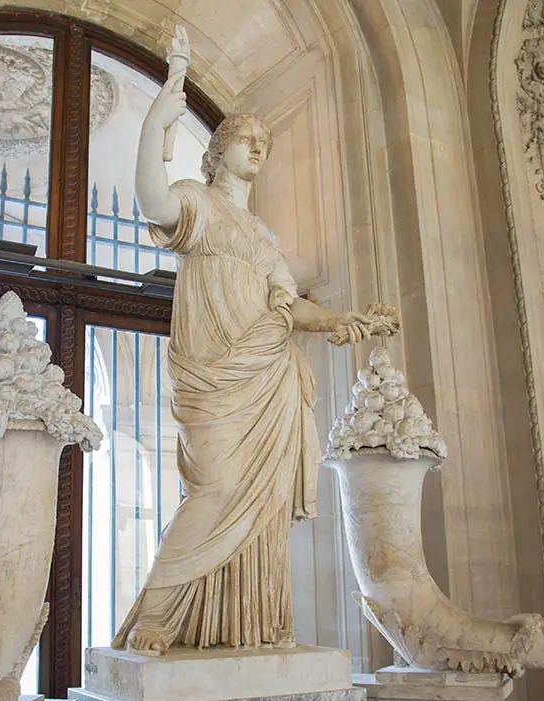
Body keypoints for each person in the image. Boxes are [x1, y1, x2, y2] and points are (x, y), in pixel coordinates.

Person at [111, 72, 395, 655]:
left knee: (259, 506)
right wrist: (154, 126)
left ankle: (247, 624)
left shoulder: (264, 237)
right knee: (213, 488)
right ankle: (158, 615)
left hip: (266, 373)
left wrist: (349, 320)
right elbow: (153, 201)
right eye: (246, 137)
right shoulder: (197, 201)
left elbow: (291, 308)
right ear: (216, 154)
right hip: (212, 374)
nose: (258, 146)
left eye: (264, 140)